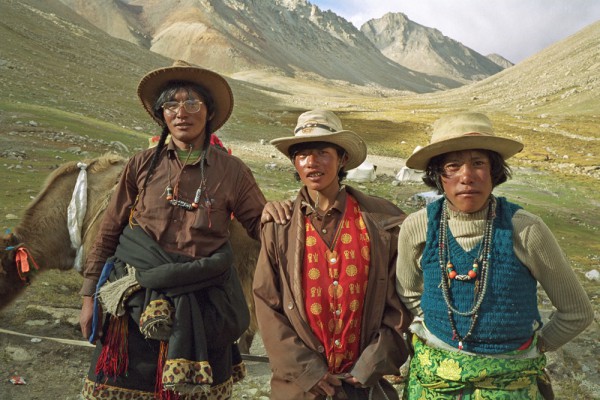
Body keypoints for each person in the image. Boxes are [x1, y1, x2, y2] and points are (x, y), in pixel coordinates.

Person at [78, 60, 266, 399]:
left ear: (209, 112)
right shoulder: (141, 164)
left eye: (192, 102)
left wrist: (292, 218)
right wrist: (88, 296)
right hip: (134, 301)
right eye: (171, 103)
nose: (182, 112)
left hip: (205, 305)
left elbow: (262, 227)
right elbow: (110, 229)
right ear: (161, 114)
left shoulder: (233, 172)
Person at [396, 112, 594, 399]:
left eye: (478, 163)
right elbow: (408, 290)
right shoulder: (417, 227)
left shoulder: (525, 229)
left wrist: (533, 346)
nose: (467, 176)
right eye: (453, 165)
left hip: (511, 380)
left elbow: (577, 312)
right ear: (439, 176)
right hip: (434, 381)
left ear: (495, 172)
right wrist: (440, 322)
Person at [253, 109, 412, 400]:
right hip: (300, 388)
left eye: (322, 152)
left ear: (342, 159)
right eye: (302, 154)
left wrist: (373, 363)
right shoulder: (279, 227)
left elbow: (399, 302)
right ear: (294, 163)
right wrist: (306, 372)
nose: (312, 162)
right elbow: (267, 303)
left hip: (363, 385)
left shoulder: (383, 221)